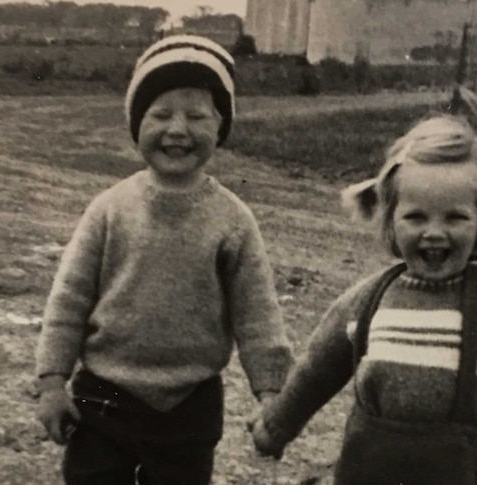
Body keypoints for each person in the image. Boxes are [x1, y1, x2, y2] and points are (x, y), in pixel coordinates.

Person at [250, 113, 477, 485]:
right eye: (416, 217)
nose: (434, 233)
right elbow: (316, 371)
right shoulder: (370, 301)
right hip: (368, 472)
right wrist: (276, 426)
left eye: (455, 217)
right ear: (391, 221)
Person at [34, 34, 294, 485]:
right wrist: (52, 382)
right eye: (160, 114)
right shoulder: (110, 209)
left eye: (196, 116)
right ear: (138, 124)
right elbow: (69, 299)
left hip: (190, 403)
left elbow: (258, 313)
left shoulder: (233, 220)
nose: (177, 129)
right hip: (103, 396)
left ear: (220, 127)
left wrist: (271, 392)